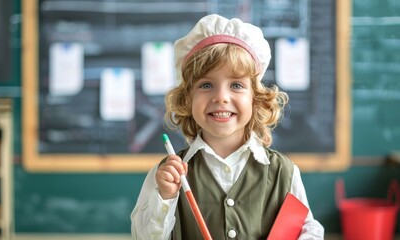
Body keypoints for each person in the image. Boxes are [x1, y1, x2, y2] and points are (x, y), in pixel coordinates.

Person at [131, 14, 324, 239]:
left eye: (236, 84)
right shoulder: (167, 176)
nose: (221, 97)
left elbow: (308, 231)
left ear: (256, 98)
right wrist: (164, 198)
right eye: (206, 84)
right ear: (187, 99)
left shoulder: (284, 173)